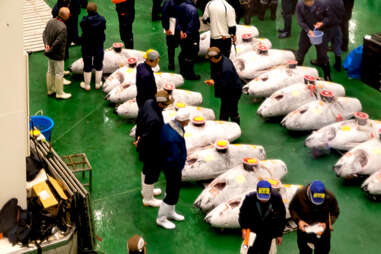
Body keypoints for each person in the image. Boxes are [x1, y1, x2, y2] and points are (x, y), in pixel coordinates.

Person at [135, 90, 174, 207]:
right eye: (166, 105)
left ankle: (146, 191)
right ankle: (148, 199)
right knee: (151, 172)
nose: (167, 106)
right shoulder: (155, 120)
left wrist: (138, 137)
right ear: (160, 104)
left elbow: (139, 120)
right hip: (151, 149)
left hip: (143, 142)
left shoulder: (148, 102)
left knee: (146, 169)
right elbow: (149, 138)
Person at [156, 109, 189, 230]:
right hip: (172, 167)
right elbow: (175, 155)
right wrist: (180, 165)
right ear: (184, 121)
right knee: (172, 193)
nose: (189, 122)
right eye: (187, 120)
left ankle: (170, 212)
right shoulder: (174, 137)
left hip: (166, 163)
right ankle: (161, 218)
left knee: (172, 189)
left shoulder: (168, 125)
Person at [289, 180, 340, 254]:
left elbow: (335, 212)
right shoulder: (300, 194)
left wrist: (327, 223)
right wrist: (299, 221)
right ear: (309, 193)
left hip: (322, 233)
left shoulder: (330, 196)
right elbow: (292, 209)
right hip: (305, 233)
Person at [239, 180, 286, 254]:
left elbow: (281, 217)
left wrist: (279, 234)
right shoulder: (249, 198)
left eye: (265, 198)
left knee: (265, 251)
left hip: (268, 232)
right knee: (249, 250)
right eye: (261, 198)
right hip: (252, 230)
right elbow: (243, 214)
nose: (263, 200)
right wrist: (243, 228)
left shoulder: (276, 198)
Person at [204, 47, 243, 124]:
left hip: (233, 91)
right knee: (224, 110)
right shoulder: (218, 59)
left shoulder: (226, 68)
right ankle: (223, 125)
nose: (209, 60)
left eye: (210, 58)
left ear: (214, 58)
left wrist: (214, 83)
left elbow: (227, 85)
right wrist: (213, 79)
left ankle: (235, 127)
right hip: (226, 89)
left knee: (232, 111)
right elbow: (214, 71)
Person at [295, 0, 331, 81]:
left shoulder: (323, 3)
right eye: (306, 2)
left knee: (323, 55)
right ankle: (297, 74)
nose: (308, 4)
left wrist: (322, 23)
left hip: (321, 32)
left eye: (310, 2)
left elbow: (329, 17)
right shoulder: (300, 5)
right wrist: (308, 30)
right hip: (306, 33)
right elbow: (300, 21)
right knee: (300, 52)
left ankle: (327, 76)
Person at [43, 7, 72, 99]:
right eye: (69, 14)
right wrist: (50, 50)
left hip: (49, 53)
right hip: (57, 55)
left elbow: (44, 34)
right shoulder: (63, 27)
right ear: (65, 16)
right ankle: (59, 93)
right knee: (59, 74)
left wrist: (46, 44)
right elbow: (58, 42)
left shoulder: (50, 21)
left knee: (50, 71)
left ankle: (50, 90)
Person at [79, 2, 106, 91]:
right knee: (98, 62)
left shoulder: (84, 21)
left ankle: (87, 85)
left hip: (87, 44)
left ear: (87, 10)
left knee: (87, 63)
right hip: (98, 44)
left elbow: (82, 27)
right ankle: (98, 84)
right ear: (96, 9)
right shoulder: (102, 20)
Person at [177, 0, 201, 80]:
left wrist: (180, 30)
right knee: (192, 53)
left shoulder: (181, 5)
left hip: (182, 34)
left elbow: (177, 19)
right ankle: (190, 74)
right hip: (191, 35)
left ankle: (182, 71)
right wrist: (187, 32)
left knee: (184, 51)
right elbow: (194, 24)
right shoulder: (193, 10)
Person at [319, 0, 345, 71]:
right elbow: (342, 12)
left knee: (323, 47)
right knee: (337, 44)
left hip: (327, 28)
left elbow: (321, 15)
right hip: (337, 26)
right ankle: (338, 64)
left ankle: (324, 65)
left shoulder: (323, 2)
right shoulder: (340, 1)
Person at [162, 0, 180, 70]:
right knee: (182, 44)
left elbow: (164, 14)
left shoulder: (168, 2)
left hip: (172, 25)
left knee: (171, 46)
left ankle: (171, 64)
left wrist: (166, 27)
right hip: (179, 24)